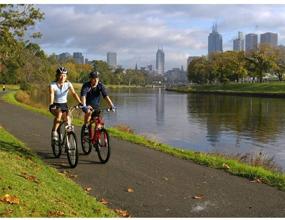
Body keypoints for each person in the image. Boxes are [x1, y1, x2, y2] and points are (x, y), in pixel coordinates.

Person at [49, 67, 82, 141]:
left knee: (68, 122)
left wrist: (80, 102)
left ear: (66, 76)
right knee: (59, 114)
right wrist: (51, 104)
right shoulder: (53, 85)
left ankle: (68, 143)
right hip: (55, 105)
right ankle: (54, 132)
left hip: (64, 105)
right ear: (57, 76)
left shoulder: (68, 84)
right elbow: (52, 94)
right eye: (60, 75)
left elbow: (74, 93)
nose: (62, 77)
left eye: (64, 75)